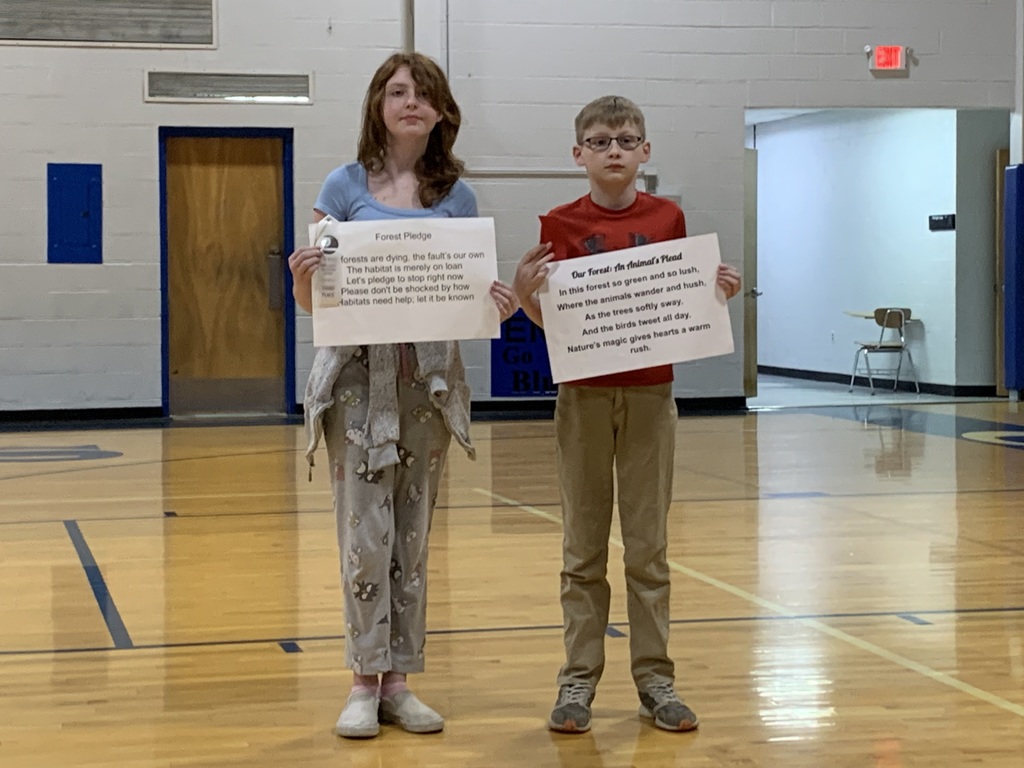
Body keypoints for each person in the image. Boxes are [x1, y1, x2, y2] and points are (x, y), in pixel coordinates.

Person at [289, 52, 518, 740]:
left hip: (429, 383)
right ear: (378, 106)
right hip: (357, 382)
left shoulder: (459, 197)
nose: (410, 102)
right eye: (396, 92)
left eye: (423, 93)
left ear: (443, 111)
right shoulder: (343, 184)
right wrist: (302, 277)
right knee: (364, 533)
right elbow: (315, 303)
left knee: (412, 538)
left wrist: (495, 306)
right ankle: (362, 679)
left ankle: (399, 681)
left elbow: (466, 300)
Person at [512, 95, 741, 734]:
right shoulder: (557, 223)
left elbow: (682, 308)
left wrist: (718, 293)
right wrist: (528, 299)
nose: (614, 149)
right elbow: (553, 323)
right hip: (582, 397)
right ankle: (577, 683)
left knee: (649, 549)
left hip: (650, 395)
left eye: (626, 138)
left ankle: (656, 681)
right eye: (601, 139)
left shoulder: (669, 218)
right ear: (578, 153)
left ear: (645, 151)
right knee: (582, 548)